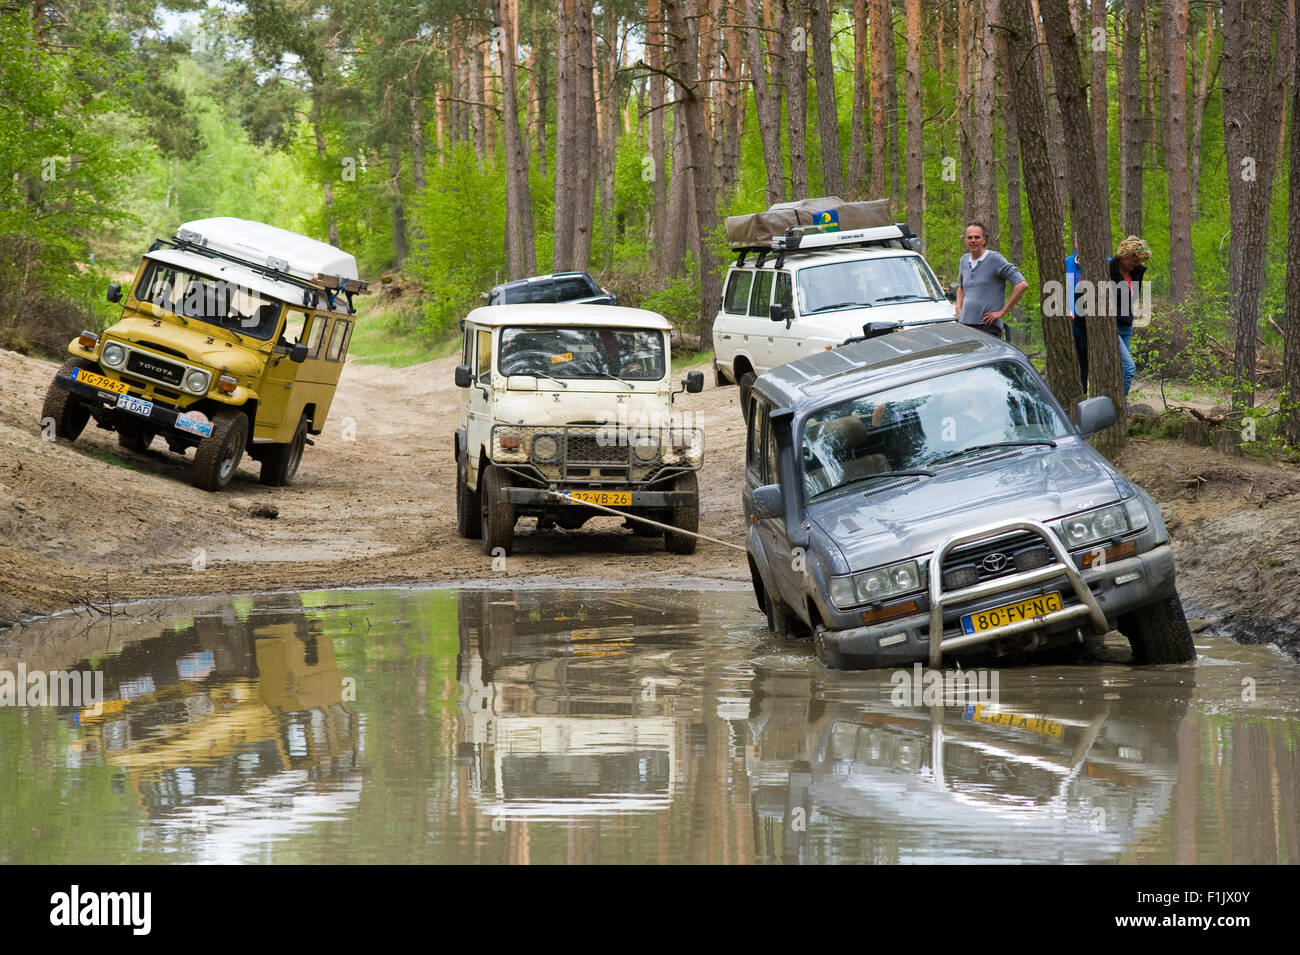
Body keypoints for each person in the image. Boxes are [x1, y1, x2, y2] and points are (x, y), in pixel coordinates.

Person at [1073, 235, 1149, 397]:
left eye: (1139, 261)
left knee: (1118, 371)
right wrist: (1084, 320)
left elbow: (1132, 298)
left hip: (1126, 327)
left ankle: (1113, 406)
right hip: (1109, 326)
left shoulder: (1137, 272)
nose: (1136, 264)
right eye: (1133, 260)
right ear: (1124, 256)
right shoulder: (1106, 269)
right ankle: (1118, 407)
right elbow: (1080, 291)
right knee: (1129, 368)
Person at [954, 221, 1028, 338]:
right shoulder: (964, 260)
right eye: (969, 237)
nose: (973, 240)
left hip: (988, 327)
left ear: (984, 239)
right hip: (965, 325)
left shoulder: (995, 259)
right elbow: (961, 288)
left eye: (977, 237)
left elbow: (1021, 285)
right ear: (965, 240)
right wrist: (958, 309)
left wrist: (1001, 312)